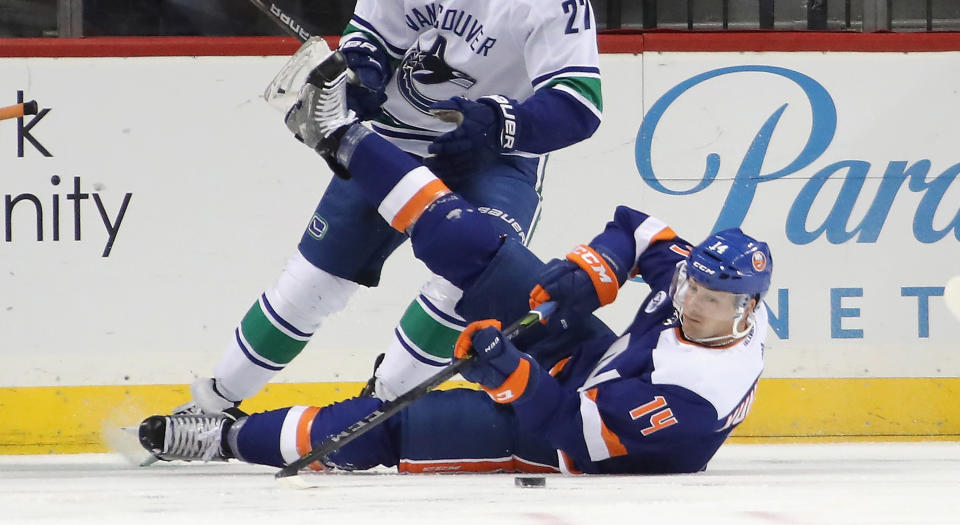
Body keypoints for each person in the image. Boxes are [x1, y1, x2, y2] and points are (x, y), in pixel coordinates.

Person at [139, 53, 772, 475]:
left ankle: (220, 439)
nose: (691, 301)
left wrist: (509, 371)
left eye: (711, 302)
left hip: (561, 439)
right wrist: (595, 270)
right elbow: (644, 232)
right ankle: (339, 134)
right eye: (692, 287)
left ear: (743, 313)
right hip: (588, 358)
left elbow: (572, 431)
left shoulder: (695, 395)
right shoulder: (710, 286)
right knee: (468, 242)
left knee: (384, 429)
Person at [181, 0, 604, 415]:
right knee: (311, 283)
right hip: (392, 140)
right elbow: (371, 37)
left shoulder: (555, 4)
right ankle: (213, 405)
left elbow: (578, 105)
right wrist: (365, 71)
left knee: (469, 284)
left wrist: (495, 122)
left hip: (493, 157)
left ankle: (382, 405)